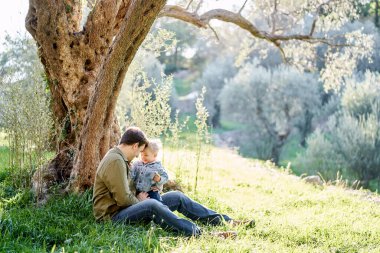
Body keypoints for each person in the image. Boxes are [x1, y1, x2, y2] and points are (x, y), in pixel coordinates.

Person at [92, 127, 254, 237]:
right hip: (112, 217)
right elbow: (123, 199)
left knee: (176, 196)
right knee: (152, 205)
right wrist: (141, 201)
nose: (138, 156)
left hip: (126, 208)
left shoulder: (121, 158)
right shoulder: (115, 161)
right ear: (135, 146)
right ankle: (200, 233)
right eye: (140, 151)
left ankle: (227, 221)